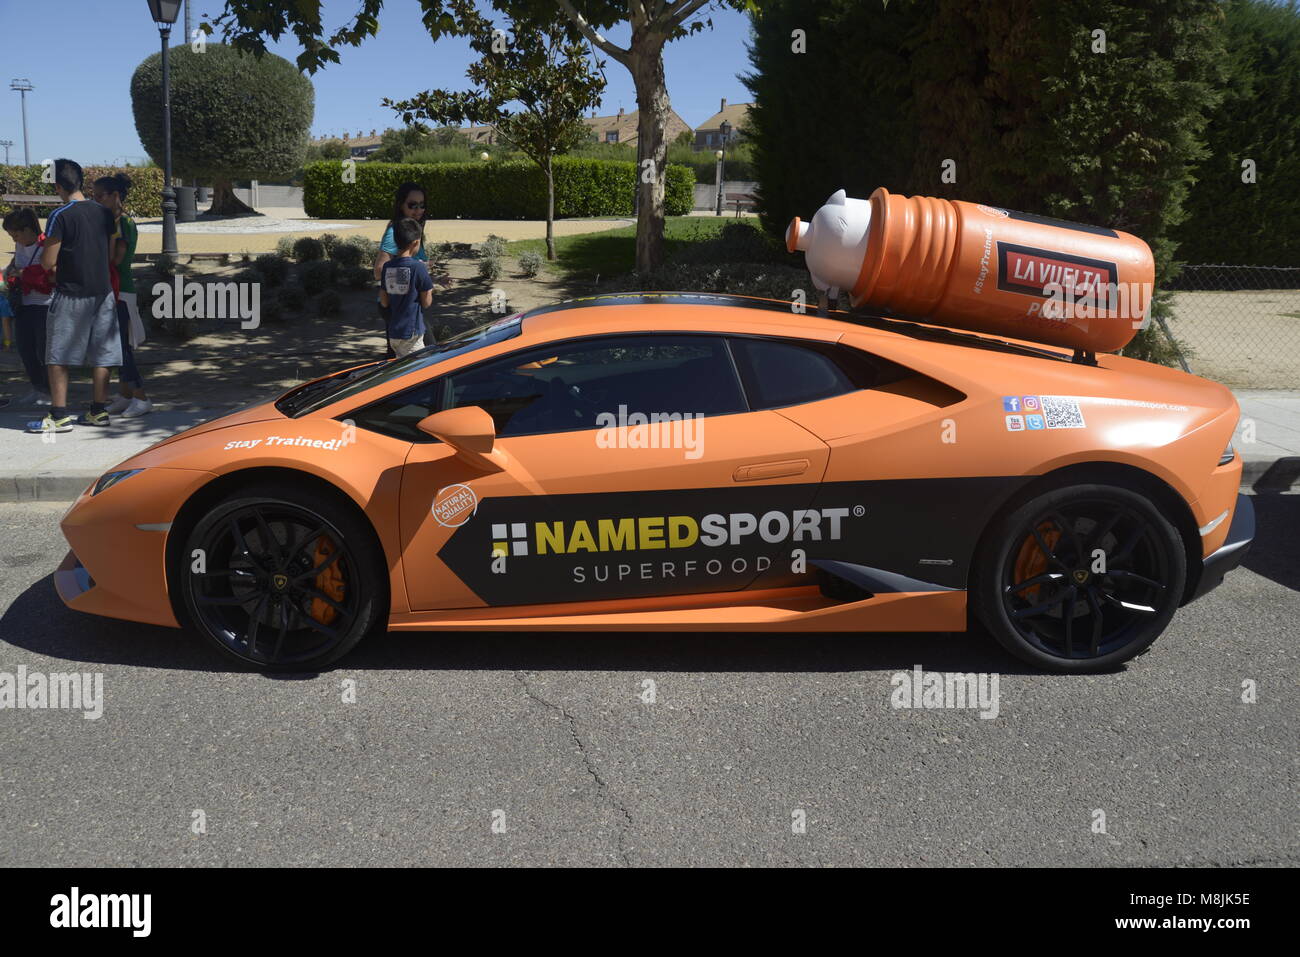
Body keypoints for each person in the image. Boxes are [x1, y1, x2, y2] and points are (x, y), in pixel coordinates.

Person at [25, 158, 121, 434]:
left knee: (58, 354)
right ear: (79, 181)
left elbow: (47, 261)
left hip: (70, 293)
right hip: (102, 292)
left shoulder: (61, 215)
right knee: (103, 353)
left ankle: (59, 415)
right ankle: (98, 412)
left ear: (58, 186)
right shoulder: (102, 212)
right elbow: (109, 253)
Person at [91, 174, 151, 417]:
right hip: (113, 290)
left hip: (121, 292)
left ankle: (141, 398)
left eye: (99, 196)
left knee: (121, 349)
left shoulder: (123, 224)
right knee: (118, 349)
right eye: (93, 196)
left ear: (116, 196)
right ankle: (126, 396)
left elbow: (116, 261)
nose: (95, 201)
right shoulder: (112, 222)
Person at [3, 207, 53, 408]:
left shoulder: (45, 246)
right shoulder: (20, 247)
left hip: (44, 305)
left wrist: (24, 274)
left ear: (27, 230)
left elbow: (50, 276)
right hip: (24, 304)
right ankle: (37, 387)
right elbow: (16, 266)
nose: (15, 240)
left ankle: (49, 391)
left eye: (16, 235)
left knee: (43, 351)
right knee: (25, 349)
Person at [378, 218, 433, 358]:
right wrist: (429, 288)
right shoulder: (418, 268)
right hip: (412, 333)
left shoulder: (388, 267)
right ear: (416, 243)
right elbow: (426, 303)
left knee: (401, 367)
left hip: (394, 333)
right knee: (417, 371)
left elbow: (384, 302)